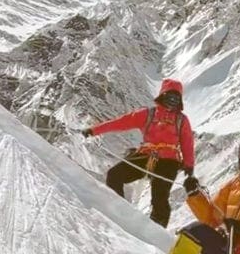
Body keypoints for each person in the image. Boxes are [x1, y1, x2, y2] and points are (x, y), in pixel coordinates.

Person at [82, 79, 195, 228]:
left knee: (159, 197)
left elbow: (187, 142)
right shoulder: (148, 114)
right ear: (162, 96)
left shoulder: (182, 120)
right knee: (115, 175)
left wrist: (189, 164)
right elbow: (121, 122)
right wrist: (94, 130)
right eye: (170, 97)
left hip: (169, 161)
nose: (172, 101)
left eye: (176, 98)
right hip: (146, 155)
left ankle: (156, 231)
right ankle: (119, 212)